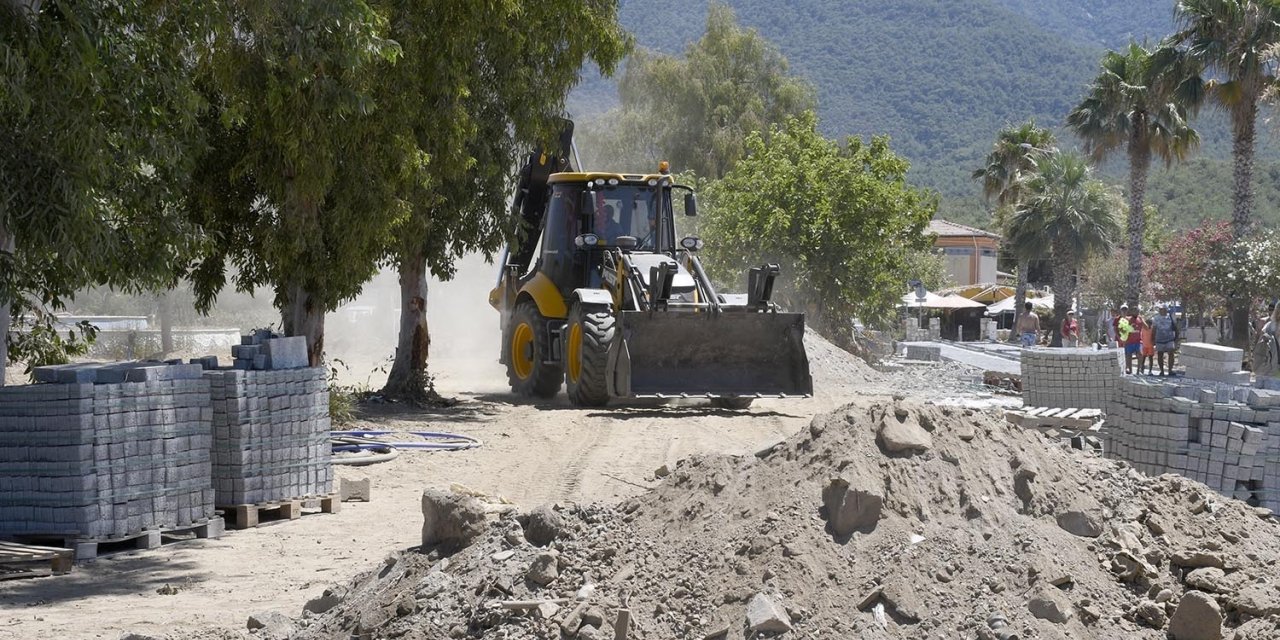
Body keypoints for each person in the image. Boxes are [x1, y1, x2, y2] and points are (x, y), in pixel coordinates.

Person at [1151, 304, 1179, 377]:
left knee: (1171, 353)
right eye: (1160, 309)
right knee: (1160, 354)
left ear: (1166, 310)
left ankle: (1170, 370)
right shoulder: (1156, 318)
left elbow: (1175, 327)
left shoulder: (1170, 317)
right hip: (1159, 339)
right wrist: (1152, 339)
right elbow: (1153, 329)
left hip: (1169, 338)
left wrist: (1176, 338)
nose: (1161, 310)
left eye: (1162, 309)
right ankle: (1162, 371)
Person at [1118, 305, 1145, 374]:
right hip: (1129, 341)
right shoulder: (1127, 319)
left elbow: (1147, 327)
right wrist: (1124, 332)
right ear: (1132, 312)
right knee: (1128, 355)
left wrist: (1142, 321)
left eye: (1137, 311)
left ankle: (1139, 370)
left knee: (1140, 354)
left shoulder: (1140, 319)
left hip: (1138, 341)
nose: (1136, 312)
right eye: (1134, 311)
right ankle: (1130, 370)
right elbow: (1120, 328)